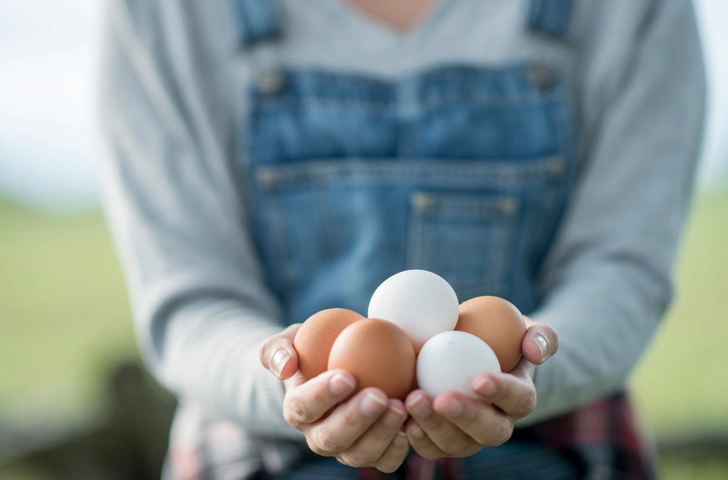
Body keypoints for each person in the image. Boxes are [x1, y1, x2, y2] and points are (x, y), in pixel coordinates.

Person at [99, 0, 705, 478]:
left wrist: (532, 364)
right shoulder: (168, 11)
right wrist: (293, 381)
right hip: (261, 457)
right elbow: (192, 301)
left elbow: (619, 266)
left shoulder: (631, 8)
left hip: (556, 450)